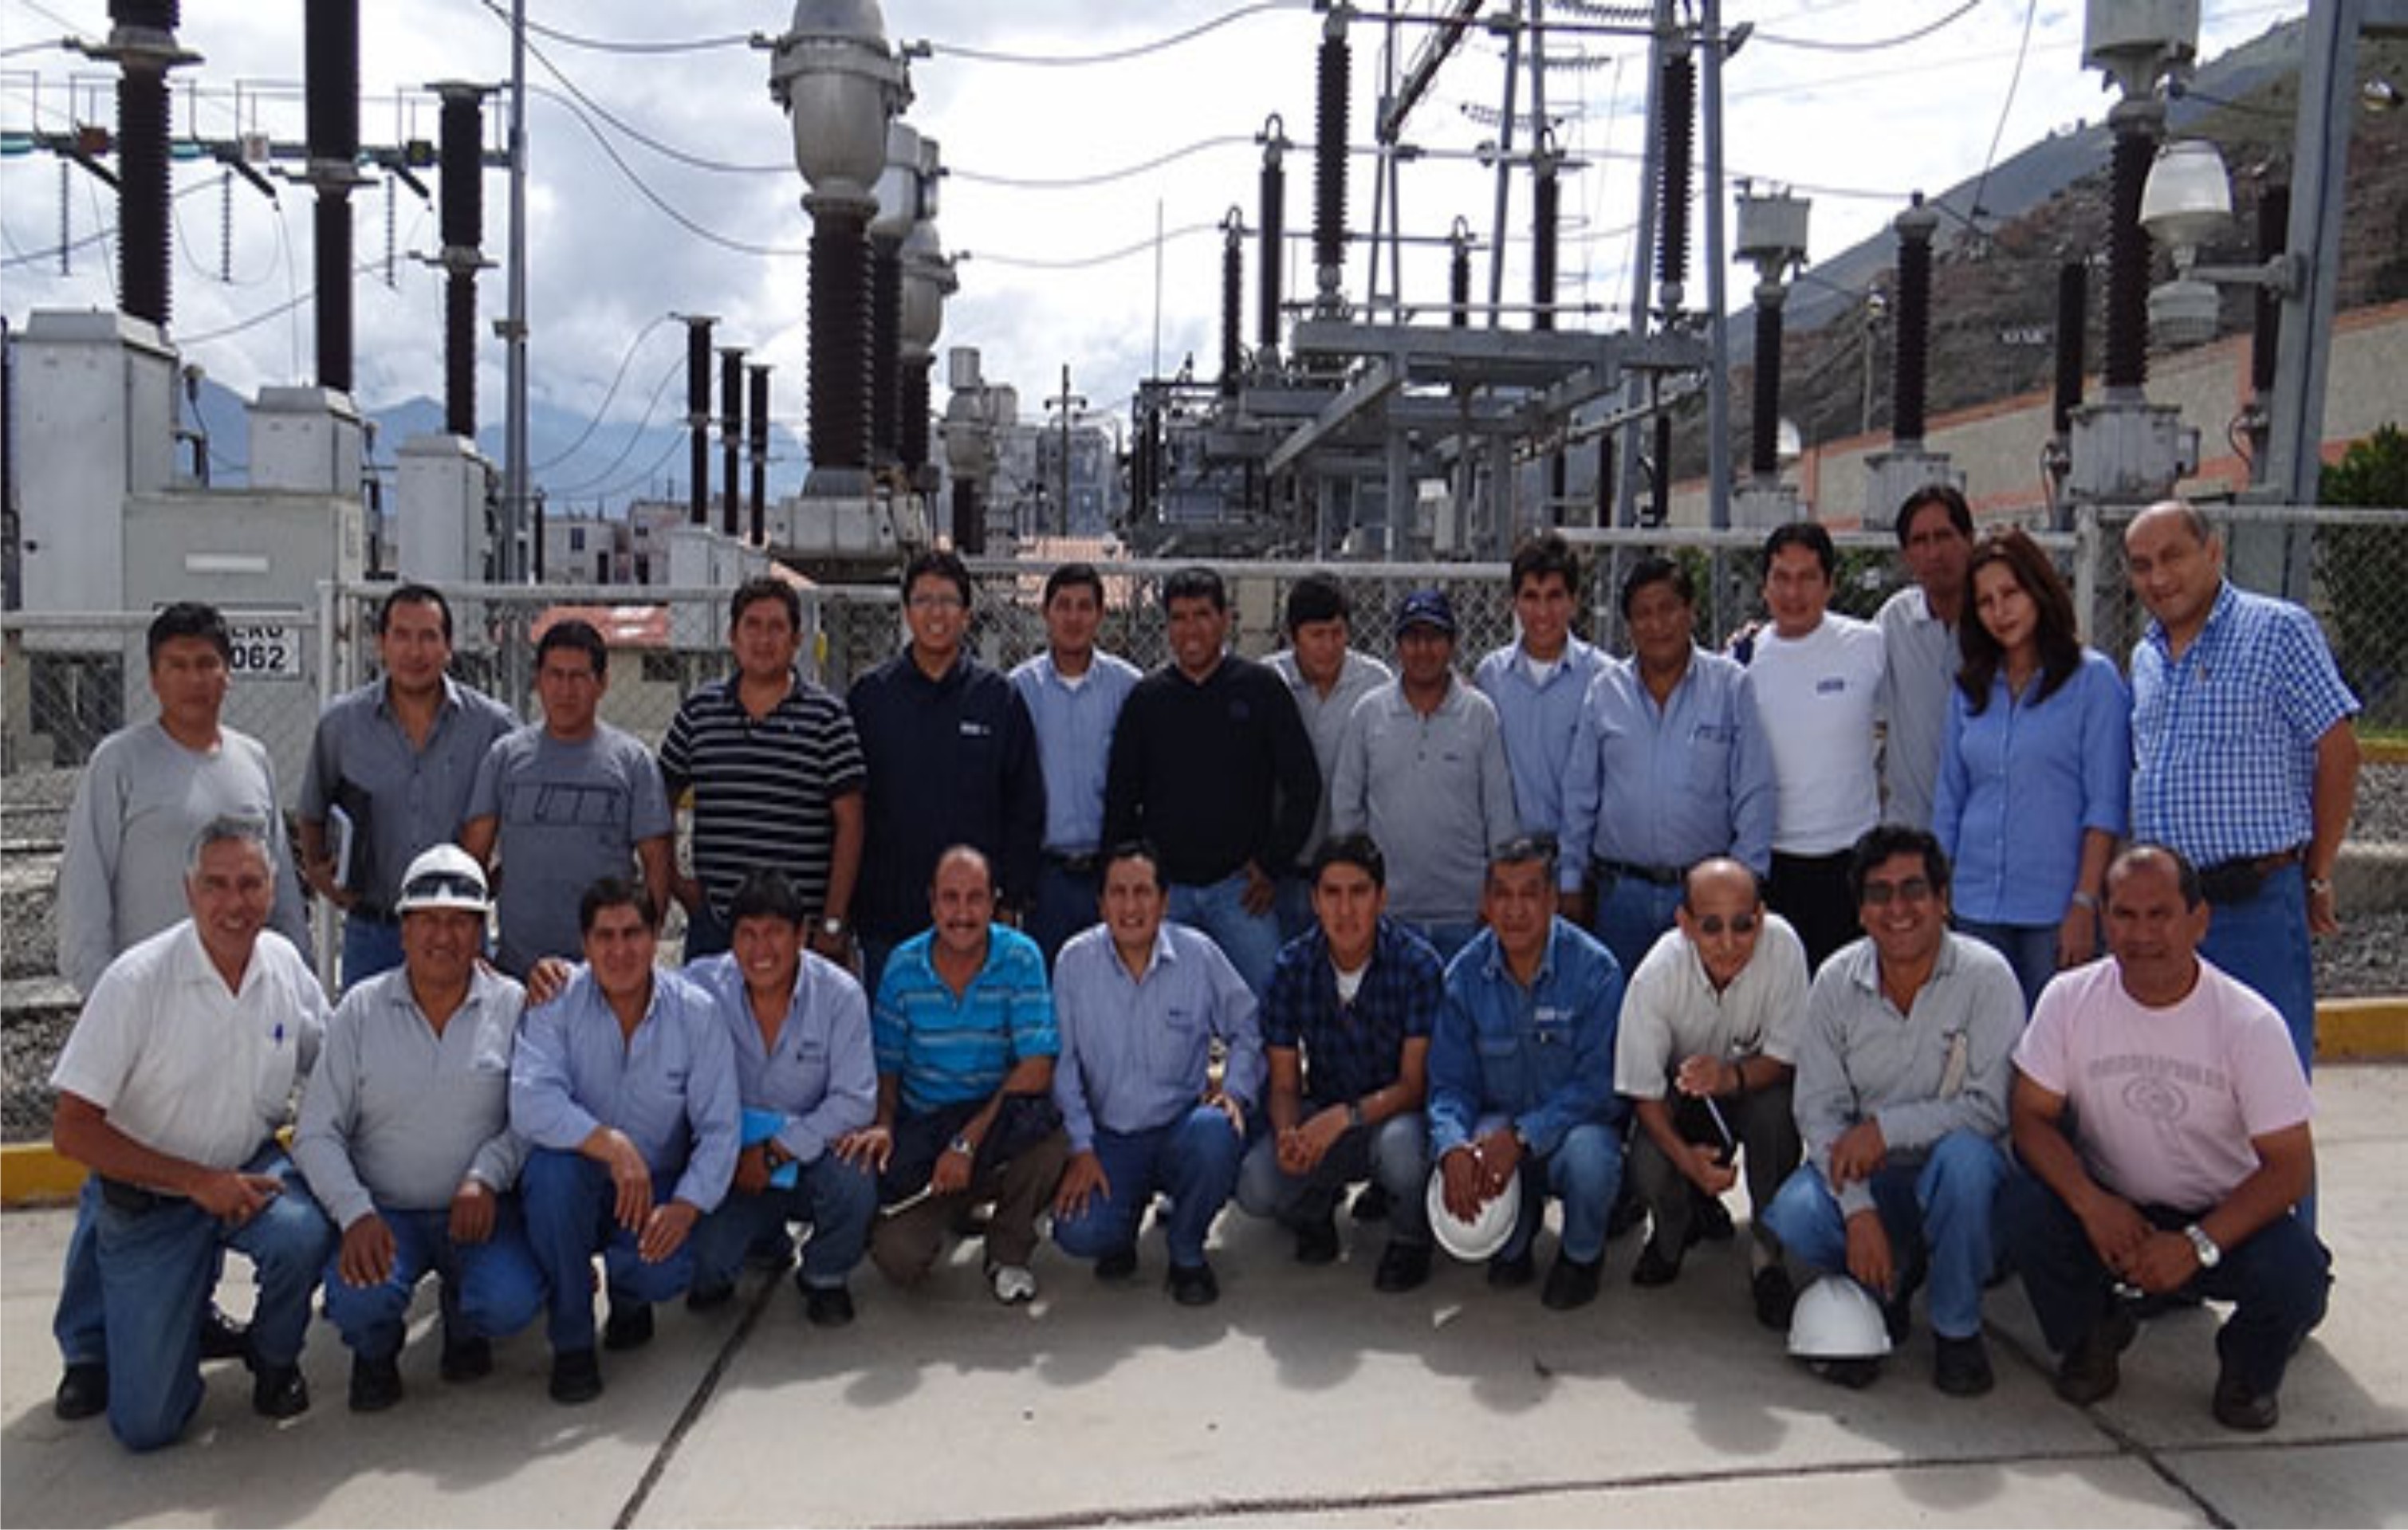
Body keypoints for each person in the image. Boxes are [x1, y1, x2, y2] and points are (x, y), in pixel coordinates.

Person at [53, 602, 308, 1419]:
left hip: (231, 992)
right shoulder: (119, 762)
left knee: (214, 1177)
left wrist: (295, 960)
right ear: (154, 675)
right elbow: (86, 882)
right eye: (178, 664)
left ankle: (186, 1315)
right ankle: (88, 1346)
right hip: (143, 1011)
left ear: (228, 672)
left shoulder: (252, 760)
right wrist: (101, 993)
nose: (195, 679)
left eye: (208, 663)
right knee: (114, 1195)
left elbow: (277, 882)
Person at [2001, 845, 2329, 1432]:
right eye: (2124, 915)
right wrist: (2091, 1203)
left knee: (2297, 1271)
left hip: (2220, 1217)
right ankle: (2092, 1334)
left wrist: (2197, 1244)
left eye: (2160, 915)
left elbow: (2290, 1168)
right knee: (2019, 1203)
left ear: (2199, 921)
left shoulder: (2249, 1024)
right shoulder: (2068, 1000)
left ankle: (2247, 1371)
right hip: (2115, 1209)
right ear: (2104, 920)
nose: (2142, 934)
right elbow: (2030, 1117)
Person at [47, 816, 336, 1450]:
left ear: (273, 888)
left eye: (250, 884)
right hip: (154, 1198)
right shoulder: (135, 983)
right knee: (147, 1426)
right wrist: (196, 1181)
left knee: (303, 1233)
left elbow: (337, 1061)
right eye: (216, 884)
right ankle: (165, 1316)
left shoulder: (284, 964)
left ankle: (274, 1358)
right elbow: (71, 1130)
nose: (235, 903)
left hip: (249, 1166)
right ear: (188, 891)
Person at [1758, 826, 2021, 1396]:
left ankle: (1956, 1328)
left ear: (1944, 899)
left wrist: (1886, 1129)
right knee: (1797, 1214)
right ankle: (1888, 1284)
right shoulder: (1835, 981)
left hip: (1955, 1176)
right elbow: (1818, 1110)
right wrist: (1857, 1211)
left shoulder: (1987, 977)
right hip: (1871, 1175)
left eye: (1914, 890)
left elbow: (1991, 1107)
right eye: (1879, 894)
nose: (1897, 909)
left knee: (1966, 1164)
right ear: (1860, 911)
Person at [293, 845, 544, 1412]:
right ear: (403, 931)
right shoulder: (359, 1010)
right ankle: (376, 1350)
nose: (443, 936)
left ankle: (466, 1319)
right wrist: (355, 1213)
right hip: (387, 1215)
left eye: (460, 922)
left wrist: (486, 1175)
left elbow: (534, 1117)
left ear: (481, 933)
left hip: (480, 1213)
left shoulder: (513, 1006)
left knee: (510, 1301)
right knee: (357, 1300)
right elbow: (316, 1132)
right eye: (428, 920)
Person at [2124, 499, 2359, 1085]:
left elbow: (2338, 752)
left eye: (2173, 557)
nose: (2159, 577)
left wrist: (2318, 872)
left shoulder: (2277, 631)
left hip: (2253, 902)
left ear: (2213, 551)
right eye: (2142, 565)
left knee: (2267, 1083)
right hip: (2169, 914)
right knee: (2178, 1086)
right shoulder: (2146, 656)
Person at [510, 879, 739, 1404]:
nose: (620, 950)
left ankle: (632, 1297)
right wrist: (611, 1146)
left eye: (633, 933)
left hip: (657, 1182)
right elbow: (529, 1100)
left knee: (664, 1269)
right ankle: (572, 1340)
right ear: (584, 943)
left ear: (657, 936)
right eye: (605, 936)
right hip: (579, 1179)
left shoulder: (696, 1013)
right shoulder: (556, 999)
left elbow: (720, 1128)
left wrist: (685, 1206)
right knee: (550, 1173)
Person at [844, 847, 1068, 1305]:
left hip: (996, 1122)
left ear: (993, 902)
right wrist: (883, 1124)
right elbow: (886, 1067)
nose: (962, 914)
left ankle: (1008, 1251)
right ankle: (954, 1209)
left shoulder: (1021, 957)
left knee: (1055, 1140)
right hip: (926, 1132)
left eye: (975, 898)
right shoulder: (903, 967)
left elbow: (1037, 1066)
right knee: (898, 1258)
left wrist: (966, 1142)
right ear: (931, 903)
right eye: (950, 898)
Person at [1051, 842, 1266, 1306]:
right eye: (1118, 893)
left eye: (1143, 892)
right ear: (1101, 903)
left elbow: (1249, 1026)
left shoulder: (1198, 956)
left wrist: (1235, 1091)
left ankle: (1186, 1249)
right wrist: (1081, 1148)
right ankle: (1120, 1230)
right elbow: (1063, 1065)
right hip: (1110, 1138)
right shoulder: (1073, 963)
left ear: (1165, 901)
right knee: (1077, 1231)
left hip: (1179, 1128)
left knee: (1218, 1134)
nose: (1131, 907)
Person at [1933, 528, 2131, 1012]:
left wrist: (2085, 902)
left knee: (2058, 1040)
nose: (2000, 611)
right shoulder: (1970, 690)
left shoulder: (2093, 681)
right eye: (1986, 602)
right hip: (1976, 904)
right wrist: (1938, 891)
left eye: (2011, 593)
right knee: (1983, 1039)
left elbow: (2105, 805)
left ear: (2039, 590)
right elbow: (1950, 796)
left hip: (2056, 908)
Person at [1234, 833, 1442, 1293]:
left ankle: (1410, 1238)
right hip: (1326, 1113)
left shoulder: (1417, 966)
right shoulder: (1291, 968)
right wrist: (1289, 1134)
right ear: (1314, 901)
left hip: (1394, 1118)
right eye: (1331, 893)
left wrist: (1346, 1118)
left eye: (1359, 893)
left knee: (1403, 1153)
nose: (1345, 910)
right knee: (1257, 1184)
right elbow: (1284, 1083)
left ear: (1382, 898)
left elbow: (1415, 1085)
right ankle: (1314, 1211)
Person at [1427, 836, 1627, 1312]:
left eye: (1529, 894)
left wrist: (1523, 1137)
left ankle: (1582, 1256)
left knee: (1591, 1159)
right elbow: (1450, 1084)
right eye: (1502, 894)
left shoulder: (1596, 971)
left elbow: (1601, 1086)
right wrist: (1452, 1146)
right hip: (1496, 1137)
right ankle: (1517, 1233)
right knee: (1476, 1165)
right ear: (1485, 902)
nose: (1515, 910)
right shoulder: (1463, 977)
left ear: (1554, 900)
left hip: (1565, 1134)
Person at [1103, 566, 1320, 997]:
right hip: (1166, 893)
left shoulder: (1261, 689)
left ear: (1225, 619)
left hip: (1240, 891)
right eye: (1179, 618)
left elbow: (1304, 784)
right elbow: (1121, 798)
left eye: (1202, 615)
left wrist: (1271, 865)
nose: (1191, 629)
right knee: (1150, 1000)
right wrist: (1125, 882)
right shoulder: (1147, 700)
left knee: (1272, 1001)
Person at [681, 869, 879, 1326]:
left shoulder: (840, 995)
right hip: (730, 1162)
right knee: (704, 1267)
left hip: (809, 1157)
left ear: (801, 934)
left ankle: (825, 1274)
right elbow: (634, 987)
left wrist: (774, 1152)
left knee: (856, 1176)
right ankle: (764, 1243)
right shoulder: (699, 987)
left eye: (774, 932)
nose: (761, 949)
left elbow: (856, 1100)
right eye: (747, 934)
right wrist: (556, 977)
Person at [1560, 555, 1776, 975]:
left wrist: (1744, 885)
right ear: (1629, 625)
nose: (1657, 624)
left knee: (1706, 1010)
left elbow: (1755, 791)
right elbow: (1580, 794)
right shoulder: (1604, 693)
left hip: (1706, 901)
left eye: (1667, 609)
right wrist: (1570, 880)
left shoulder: (1730, 687)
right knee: (1623, 1008)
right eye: (1643, 613)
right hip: (1620, 897)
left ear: (1690, 611)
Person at [1616, 858, 1808, 1328]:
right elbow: (1644, 1094)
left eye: (1743, 925)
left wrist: (1728, 1079)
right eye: (1710, 926)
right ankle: (1672, 1233)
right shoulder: (1655, 977)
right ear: (1684, 924)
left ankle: (1768, 1256)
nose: (1728, 943)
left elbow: (1786, 1057)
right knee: (1647, 1162)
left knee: (1778, 1114)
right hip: (1681, 1097)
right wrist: (1689, 1163)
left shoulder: (1783, 948)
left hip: (1751, 1086)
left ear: (1761, 917)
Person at [848, 549, 1045, 996]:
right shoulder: (871, 697)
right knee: (891, 1035)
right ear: (906, 612)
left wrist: (1010, 899)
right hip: (887, 920)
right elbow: (849, 805)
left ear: (967, 614)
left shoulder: (998, 698)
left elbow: (1025, 805)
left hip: (975, 921)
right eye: (923, 600)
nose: (936, 613)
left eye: (948, 601)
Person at [299, 583, 517, 988]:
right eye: (401, 636)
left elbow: (518, 822)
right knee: (368, 1030)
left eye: (428, 637)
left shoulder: (492, 727)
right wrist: (322, 875)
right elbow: (312, 812)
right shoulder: (342, 725)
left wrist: (491, 885)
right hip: (373, 932)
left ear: (448, 647)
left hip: (458, 934)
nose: (415, 652)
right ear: (381, 644)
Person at [659, 576, 865, 964]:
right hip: (717, 926)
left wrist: (833, 921)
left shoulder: (828, 718)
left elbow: (851, 823)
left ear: (796, 639)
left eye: (776, 627)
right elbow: (660, 800)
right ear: (733, 637)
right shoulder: (699, 713)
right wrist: (677, 882)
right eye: (752, 626)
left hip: (801, 932)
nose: (763, 639)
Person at [462, 619, 673, 978]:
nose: (565, 690)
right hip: (517, 971)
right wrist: (472, 946)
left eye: (578, 677)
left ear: (602, 683)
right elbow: (473, 859)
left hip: (605, 973)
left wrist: (645, 943)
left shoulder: (633, 762)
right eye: (555, 675)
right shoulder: (505, 758)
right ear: (538, 680)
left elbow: (657, 863)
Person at [1328, 589, 1518, 964]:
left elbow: (1499, 813)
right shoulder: (1368, 714)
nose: (1423, 650)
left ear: (1452, 644)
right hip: (1388, 914)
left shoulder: (1480, 714)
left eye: (1434, 638)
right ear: (1398, 646)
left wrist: (1497, 894)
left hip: (1465, 914)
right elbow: (1346, 808)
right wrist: (1361, 894)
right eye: (1413, 638)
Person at [1743, 522, 1887, 970]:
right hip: (1775, 860)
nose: (1794, 592)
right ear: (1765, 586)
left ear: (1830, 584)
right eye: (1782, 578)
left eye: (1807, 577)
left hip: (1851, 857)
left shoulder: (1869, 645)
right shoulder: (1744, 659)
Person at [1010, 562, 1143, 963]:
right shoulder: (1019, 689)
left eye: (1085, 607)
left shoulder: (1128, 686)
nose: (1073, 618)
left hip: (1111, 870)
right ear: (1045, 612)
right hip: (1045, 876)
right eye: (1063, 605)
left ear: (1100, 615)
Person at [1265, 573, 1391, 939]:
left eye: (1337, 633)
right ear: (1293, 636)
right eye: (1317, 635)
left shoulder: (1376, 683)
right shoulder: (1268, 680)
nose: (1329, 646)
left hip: (1351, 872)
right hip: (1282, 871)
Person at [1475, 531, 1607, 848]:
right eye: (1531, 597)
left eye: (1554, 596)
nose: (1543, 612)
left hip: (1585, 855)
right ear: (1514, 603)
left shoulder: (1603, 678)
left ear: (1574, 601)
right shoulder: (1491, 676)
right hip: (1509, 858)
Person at [1874, 485, 1974, 831]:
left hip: (1980, 832)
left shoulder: (1997, 620)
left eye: (1943, 536)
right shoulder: (1894, 621)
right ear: (1906, 555)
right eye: (1919, 541)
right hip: (1909, 831)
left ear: (1969, 540)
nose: (1933, 553)